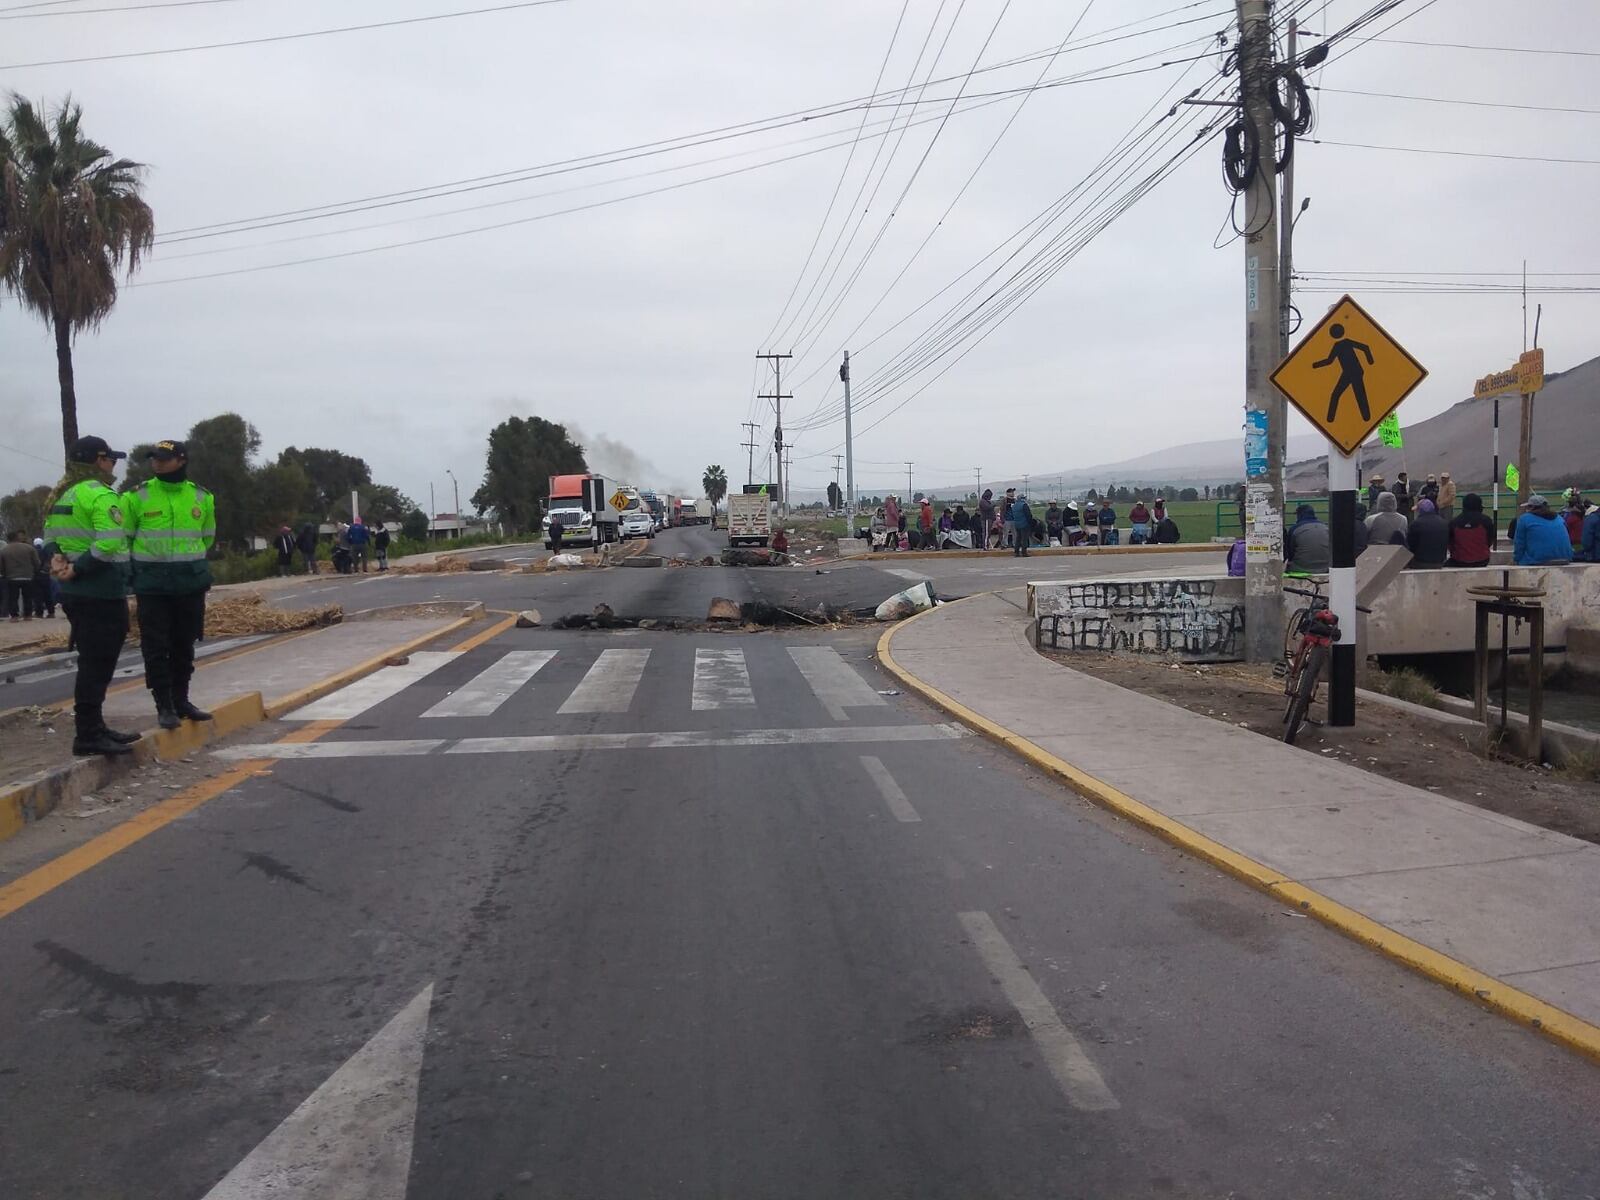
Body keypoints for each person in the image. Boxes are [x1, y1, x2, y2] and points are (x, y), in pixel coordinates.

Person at [42, 435, 139, 756]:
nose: (113, 464)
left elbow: (51, 537)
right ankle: (88, 733)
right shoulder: (99, 494)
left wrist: (60, 562)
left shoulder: (63, 494)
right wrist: (79, 569)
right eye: (110, 458)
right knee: (98, 664)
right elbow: (110, 541)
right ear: (97, 460)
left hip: (75, 594)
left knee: (92, 661)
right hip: (100, 590)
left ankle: (95, 726)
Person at [126, 439, 216, 731]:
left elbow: (207, 537)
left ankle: (182, 700)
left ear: (181, 460)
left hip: (189, 583)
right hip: (152, 585)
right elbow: (125, 538)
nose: (157, 463)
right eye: (154, 459)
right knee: (155, 647)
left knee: (184, 645)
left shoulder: (202, 498)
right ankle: (163, 705)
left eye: (164, 459)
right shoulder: (136, 496)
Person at [1513, 494, 1572, 565]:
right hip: (1565, 558)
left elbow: (1519, 544)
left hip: (1539, 559)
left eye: (1528, 507)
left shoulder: (1525, 519)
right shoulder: (1559, 518)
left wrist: (1516, 559)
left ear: (1532, 507)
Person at [1447, 493, 1496, 567]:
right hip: (1482, 560)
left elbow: (1450, 543)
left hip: (1459, 561)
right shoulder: (1486, 521)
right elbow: (1490, 540)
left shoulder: (1454, 522)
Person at [1, 530, 38, 621]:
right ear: (17, 538)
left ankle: (14, 616)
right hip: (28, 576)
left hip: (12, 577)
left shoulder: (4, 550)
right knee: (28, 597)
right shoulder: (29, 548)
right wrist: (34, 571)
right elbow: (36, 562)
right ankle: (28, 615)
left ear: (8, 539)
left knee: (13, 597)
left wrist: (5, 574)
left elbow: (1, 566)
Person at [1284, 504, 1331, 575]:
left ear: (1299, 515)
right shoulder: (1325, 527)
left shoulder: (1295, 529)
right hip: (1326, 567)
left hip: (1301, 568)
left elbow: (1290, 552)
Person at [1406, 498, 1449, 567]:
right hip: (1439, 562)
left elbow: (1411, 545)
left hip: (1420, 562)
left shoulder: (1416, 524)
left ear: (1420, 511)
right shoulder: (1444, 523)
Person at [31, 536, 56, 617]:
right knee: (48, 594)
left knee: (38, 595)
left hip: (36, 575)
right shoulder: (47, 551)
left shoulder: (33, 551)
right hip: (45, 575)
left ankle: (39, 613)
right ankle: (51, 612)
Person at [1010, 493, 1034, 557]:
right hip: (1024, 524)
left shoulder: (1014, 506)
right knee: (1024, 539)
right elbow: (1028, 515)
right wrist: (1031, 523)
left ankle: (1016, 552)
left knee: (1018, 538)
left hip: (1017, 524)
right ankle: (1024, 552)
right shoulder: (1024, 505)